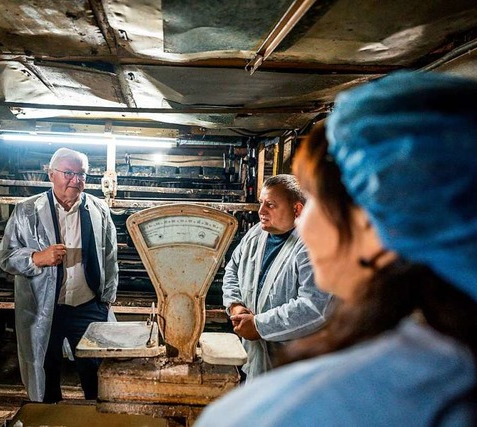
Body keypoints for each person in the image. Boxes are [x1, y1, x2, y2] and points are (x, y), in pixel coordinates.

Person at [196, 71, 477, 426]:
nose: (306, 222)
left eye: (312, 198)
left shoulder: (274, 414)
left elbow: (311, 309)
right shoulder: (455, 356)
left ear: (371, 220)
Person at [0, 147, 118, 403]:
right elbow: (5, 256)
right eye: (69, 173)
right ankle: (48, 415)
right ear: (51, 175)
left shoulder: (99, 209)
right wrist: (36, 258)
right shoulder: (27, 211)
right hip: (43, 307)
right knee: (45, 368)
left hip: (88, 305)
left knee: (96, 372)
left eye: (82, 174)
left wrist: (106, 299)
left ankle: (95, 418)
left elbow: (110, 256)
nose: (76, 180)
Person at [222, 174, 332, 380]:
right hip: (252, 360)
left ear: (297, 209)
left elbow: (315, 307)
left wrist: (259, 325)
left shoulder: (314, 246)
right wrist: (235, 305)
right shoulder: (256, 235)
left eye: (270, 205)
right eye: (261, 203)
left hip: (293, 371)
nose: (261, 211)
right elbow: (232, 269)